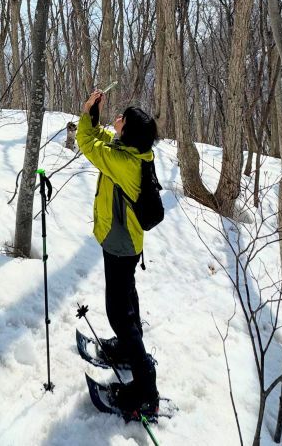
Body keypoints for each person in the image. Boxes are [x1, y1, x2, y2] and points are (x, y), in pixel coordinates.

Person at [76, 88, 160, 417]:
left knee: (119, 313)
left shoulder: (124, 162)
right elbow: (103, 140)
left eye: (123, 119)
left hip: (120, 244)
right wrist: (96, 117)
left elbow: (87, 144)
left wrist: (87, 113)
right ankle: (127, 349)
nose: (119, 119)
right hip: (127, 241)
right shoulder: (132, 152)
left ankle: (146, 390)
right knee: (127, 299)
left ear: (129, 132)